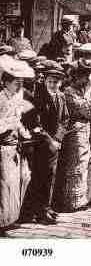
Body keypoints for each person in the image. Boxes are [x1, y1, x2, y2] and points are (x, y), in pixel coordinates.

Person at [54, 60, 91, 212]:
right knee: (75, 164)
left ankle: (82, 199)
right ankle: (71, 201)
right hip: (75, 131)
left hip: (87, 130)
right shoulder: (69, 92)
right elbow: (86, 111)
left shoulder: (84, 92)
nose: (87, 80)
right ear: (77, 76)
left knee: (85, 164)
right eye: (84, 76)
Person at [21, 61, 69, 225]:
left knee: (51, 176)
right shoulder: (40, 98)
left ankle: (47, 207)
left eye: (56, 82)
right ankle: (38, 211)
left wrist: (58, 138)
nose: (53, 85)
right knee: (40, 176)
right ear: (45, 81)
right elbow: (36, 124)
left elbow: (65, 119)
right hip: (42, 144)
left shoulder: (61, 97)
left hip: (55, 143)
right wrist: (50, 140)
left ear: (60, 82)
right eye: (50, 81)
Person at [0, 58, 34, 234]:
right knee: (4, 185)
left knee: (18, 181)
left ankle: (10, 218)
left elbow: (18, 120)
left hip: (15, 145)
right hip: (4, 145)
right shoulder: (1, 99)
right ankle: (2, 221)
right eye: (15, 83)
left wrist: (23, 131)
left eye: (20, 83)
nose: (19, 86)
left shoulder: (16, 98)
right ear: (5, 82)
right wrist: (10, 124)